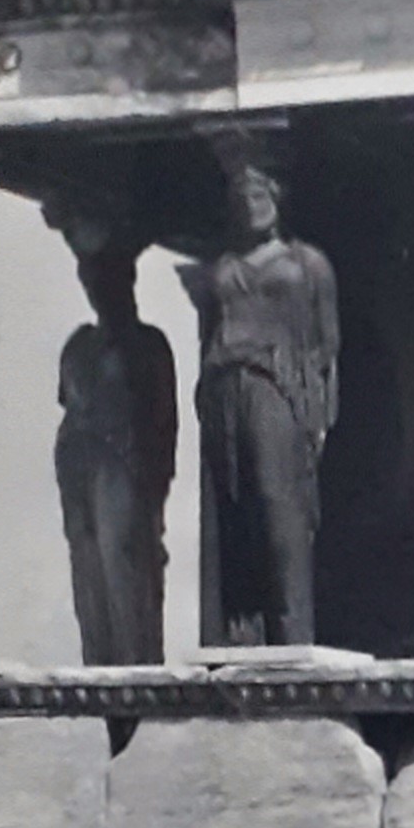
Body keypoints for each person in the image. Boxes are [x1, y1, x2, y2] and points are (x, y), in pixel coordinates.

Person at [192, 146, 337, 646]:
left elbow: (325, 347)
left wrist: (315, 418)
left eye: (259, 191)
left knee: (279, 506)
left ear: (277, 195)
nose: (251, 202)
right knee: (233, 509)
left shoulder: (307, 263)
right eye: (242, 194)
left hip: (277, 384)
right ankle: (240, 636)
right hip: (224, 384)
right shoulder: (224, 266)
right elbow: (208, 329)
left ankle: (292, 632)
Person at [50, 203, 179, 666]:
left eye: (106, 277)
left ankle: (136, 661)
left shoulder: (148, 344)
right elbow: (67, 404)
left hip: (125, 464)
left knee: (123, 561)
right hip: (80, 464)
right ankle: (101, 662)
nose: (97, 289)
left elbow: (165, 423)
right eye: (90, 279)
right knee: (89, 569)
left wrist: (156, 482)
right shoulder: (79, 344)